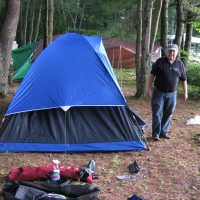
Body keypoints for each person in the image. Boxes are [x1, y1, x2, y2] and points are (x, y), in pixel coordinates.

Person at [147, 44, 188, 141]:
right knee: (157, 113)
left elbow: (184, 79)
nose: (171, 53)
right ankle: (155, 134)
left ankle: (163, 132)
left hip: (172, 94)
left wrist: (185, 92)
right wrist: (149, 88)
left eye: (173, 51)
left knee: (168, 113)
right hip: (159, 92)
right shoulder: (160, 61)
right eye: (169, 51)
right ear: (166, 52)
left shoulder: (179, 64)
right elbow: (152, 75)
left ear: (177, 52)